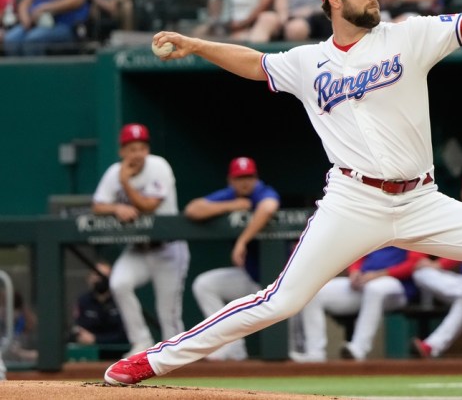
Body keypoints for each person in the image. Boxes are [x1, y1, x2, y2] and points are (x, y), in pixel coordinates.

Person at [105, 0, 462, 398]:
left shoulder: (410, 36)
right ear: (334, 0)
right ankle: (153, 360)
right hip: (352, 200)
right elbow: (253, 62)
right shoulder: (307, 62)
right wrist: (198, 45)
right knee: (280, 301)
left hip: (421, 199)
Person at [92, 123, 190, 358]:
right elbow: (97, 205)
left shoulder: (158, 166)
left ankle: (178, 358)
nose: (137, 153)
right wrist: (117, 207)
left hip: (168, 248)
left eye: (142, 147)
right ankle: (141, 341)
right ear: (122, 151)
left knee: (168, 314)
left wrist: (125, 184)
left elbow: (148, 206)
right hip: (138, 249)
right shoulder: (114, 172)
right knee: (119, 283)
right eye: (132, 148)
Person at [184, 156, 281, 361]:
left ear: (256, 178)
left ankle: (311, 357)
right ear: (231, 180)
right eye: (240, 178)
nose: (244, 182)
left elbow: (268, 208)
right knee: (205, 284)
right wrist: (231, 205)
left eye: (249, 177)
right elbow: (192, 209)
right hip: (252, 277)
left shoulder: (262, 191)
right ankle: (232, 348)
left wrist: (242, 241)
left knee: (296, 316)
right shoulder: (230, 196)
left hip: (280, 279)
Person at [410, 169, 462, 359]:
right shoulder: (458, 218)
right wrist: (434, 265)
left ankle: (431, 347)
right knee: (421, 274)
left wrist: (439, 265)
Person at [291, 246, 424, 362]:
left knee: (375, 289)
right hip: (365, 282)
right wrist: (354, 272)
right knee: (314, 291)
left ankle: (358, 349)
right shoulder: (374, 225)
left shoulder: (410, 223)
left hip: (397, 287)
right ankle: (315, 354)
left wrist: (380, 274)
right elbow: (358, 253)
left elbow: (414, 263)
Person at [70, 260, 128, 347]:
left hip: (119, 352)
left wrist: (96, 339)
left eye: (105, 276)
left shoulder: (121, 300)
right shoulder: (83, 301)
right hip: (90, 352)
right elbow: (79, 330)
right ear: (89, 278)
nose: (100, 280)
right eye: (97, 275)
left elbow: (125, 334)